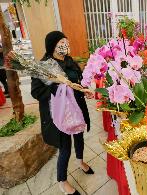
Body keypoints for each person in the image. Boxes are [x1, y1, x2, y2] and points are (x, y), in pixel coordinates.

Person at [31, 31, 93, 195]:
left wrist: (84, 90)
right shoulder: (43, 66)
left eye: (66, 42)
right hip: (60, 114)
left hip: (77, 108)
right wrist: (58, 87)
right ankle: (62, 181)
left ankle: (80, 161)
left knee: (79, 136)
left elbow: (77, 81)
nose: (65, 45)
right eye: (61, 43)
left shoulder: (69, 60)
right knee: (65, 147)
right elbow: (36, 92)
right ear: (52, 46)